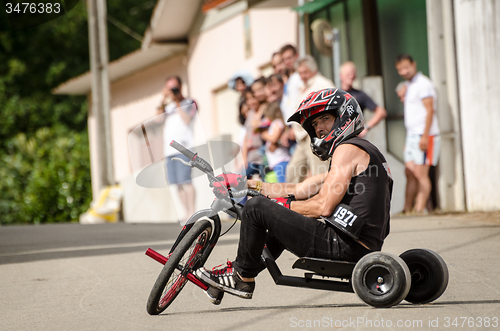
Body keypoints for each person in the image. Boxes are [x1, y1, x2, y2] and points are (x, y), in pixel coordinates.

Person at [197, 88, 393, 301]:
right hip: (360, 247)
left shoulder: (347, 150)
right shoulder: (364, 150)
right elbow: (299, 190)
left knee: (256, 207)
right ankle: (235, 273)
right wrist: (246, 184)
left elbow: (323, 207)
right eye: (315, 124)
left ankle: (241, 277)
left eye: (325, 119)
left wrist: (280, 207)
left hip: (345, 247)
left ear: (344, 116)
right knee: (274, 211)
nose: (319, 129)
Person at [395, 54, 440, 214]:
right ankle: (407, 209)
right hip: (412, 135)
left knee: (421, 174)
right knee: (410, 172)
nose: (404, 71)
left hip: (425, 135)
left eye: (407, 67)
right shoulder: (409, 85)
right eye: (400, 69)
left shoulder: (423, 83)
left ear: (414, 65)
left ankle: (420, 209)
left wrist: (425, 136)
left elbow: (430, 110)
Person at [286, 55, 334, 183]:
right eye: (300, 73)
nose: (303, 76)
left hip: (315, 135)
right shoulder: (305, 86)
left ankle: (324, 200)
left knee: (320, 173)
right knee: (292, 172)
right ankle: (291, 201)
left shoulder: (322, 83)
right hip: (302, 137)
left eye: (305, 72)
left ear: (314, 70)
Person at [158, 76, 197, 222]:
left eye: (174, 88)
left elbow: (187, 119)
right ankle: (187, 213)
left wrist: (177, 101)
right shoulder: (167, 108)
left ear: (181, 87)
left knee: (187, 181)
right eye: (169, 88)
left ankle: (193, 211)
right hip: (169, 150)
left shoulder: (189, 102)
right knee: (177, 184)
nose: (172, 91)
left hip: (184, 147)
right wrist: (163, 99)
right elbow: (157, 120)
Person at [339, 61, 387, 138]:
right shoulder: (337, 95)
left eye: (353, 74)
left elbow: (381, 112)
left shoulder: (360, 95)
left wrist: (366, 127)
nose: (351, 76)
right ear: (341, 76)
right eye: (348, 74)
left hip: (355, 137)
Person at [259, 101, 290, 183]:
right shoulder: (273, 124)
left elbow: (274, 138)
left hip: (281, 160)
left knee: (283, 185)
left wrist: (264, 135)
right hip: (277, 162)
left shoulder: (277, 123)